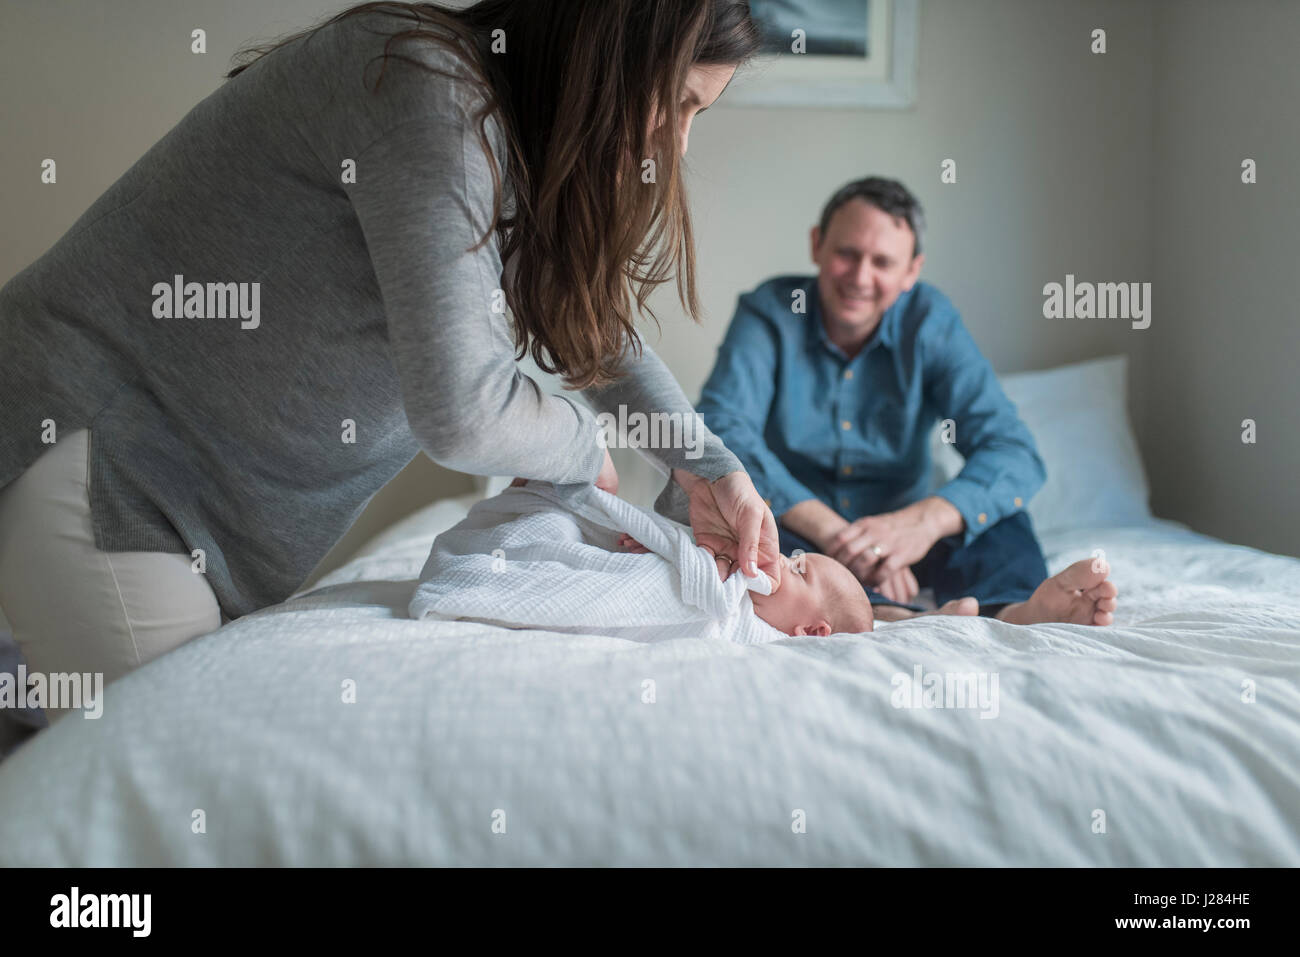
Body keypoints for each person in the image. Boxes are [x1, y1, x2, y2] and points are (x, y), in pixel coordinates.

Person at [0, 1, 782, 702]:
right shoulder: (425, 85)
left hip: (205, 517)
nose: (676, 147)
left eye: (696, 117)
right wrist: (580, 445)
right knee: (164, 780)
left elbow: (596, 327)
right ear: (608, 42)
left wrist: (707, 464)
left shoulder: (506, 141)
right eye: (677, 101)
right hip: (107, 457)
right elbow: (463, 410)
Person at [697, 176, 1118, 626]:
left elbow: (1012, 452)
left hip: (913, 535)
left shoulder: (931, 321)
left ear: (910, 272)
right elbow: (722, 428)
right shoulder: (771, 312)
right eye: (846, 254)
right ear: (817, 245)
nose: (860, 277)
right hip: (803, 532)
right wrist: (841, 537)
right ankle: (889, 610)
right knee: (741, 520)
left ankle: (1015, 609)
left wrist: (918, 526)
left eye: (882, 262)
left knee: (995, 514)